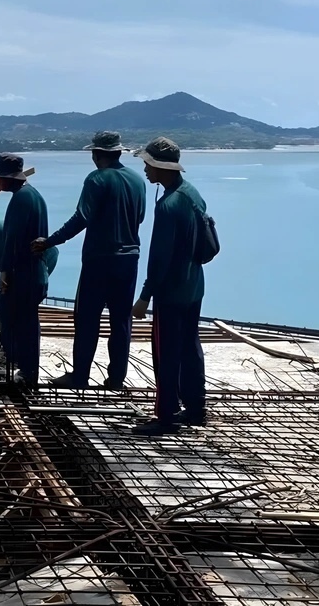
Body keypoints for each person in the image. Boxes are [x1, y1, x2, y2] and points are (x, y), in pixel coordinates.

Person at [33, 131, 147, 390]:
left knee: (87, 319)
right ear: (118, 152)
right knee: (121, 321)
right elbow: (139, 218)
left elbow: (81, 218)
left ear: (97, 155)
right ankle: (116, 379)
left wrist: (50, 241)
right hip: (130, 259)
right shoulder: (137, 180)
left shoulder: (96, 179)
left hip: (99, 260)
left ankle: (80, 376)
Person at [131, 137, 208, 436]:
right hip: (193, 286)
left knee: (165, 352)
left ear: (159, 167)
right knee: (190, 347)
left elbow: (159, 258)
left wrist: (144, 297)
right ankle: (195, 408)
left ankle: (165, 416)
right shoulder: (192, 194)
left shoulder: (168, 206)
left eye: (147, 164)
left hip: (171, 290)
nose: (146, 171)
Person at [0, 153, 50, 388]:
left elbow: (12, 239)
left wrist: (5, 270)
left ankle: (26, 374)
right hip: (36, 269)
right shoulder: (34, 195)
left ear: (7, 178)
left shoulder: (20, 199)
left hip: (24, 272)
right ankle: (22, 366)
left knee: (24, 324)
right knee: (25, 321)